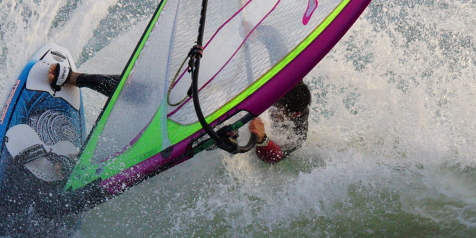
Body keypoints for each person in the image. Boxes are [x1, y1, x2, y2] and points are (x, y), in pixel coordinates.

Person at [48, 63, 309, 163]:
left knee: (197, 137)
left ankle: (85, 163)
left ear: (294, 115)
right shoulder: (282, 84)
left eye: (277, 111)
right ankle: (77, 78)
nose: (272, 110)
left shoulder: (297, 131)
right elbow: (277, 44)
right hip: (215, 107)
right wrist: (261, 32)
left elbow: (277, 158)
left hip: (214, 141)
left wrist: (262, 139)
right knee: (153, 94)